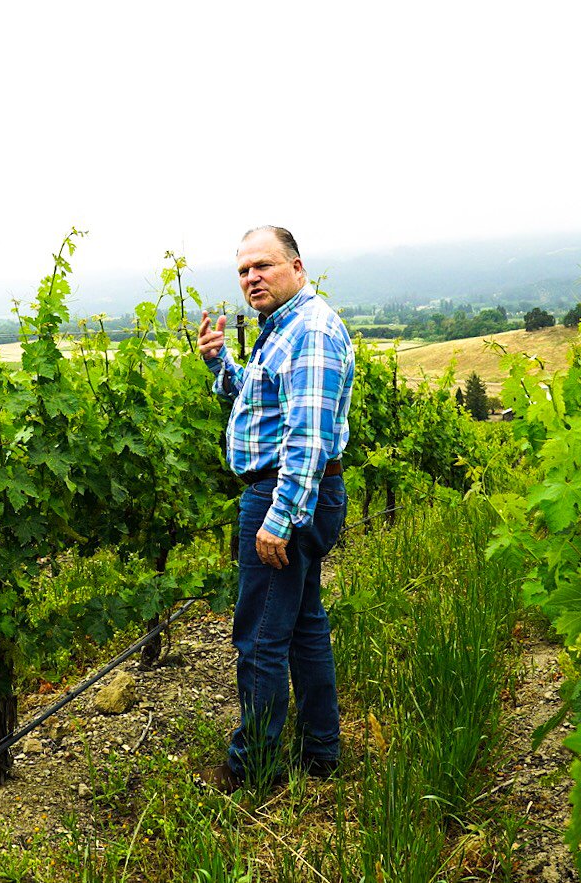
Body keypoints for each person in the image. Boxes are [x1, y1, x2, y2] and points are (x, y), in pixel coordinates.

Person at [197, 225, 355, 791]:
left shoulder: (309, 330)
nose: (251, 278)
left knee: (261, 637)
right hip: (293, 492)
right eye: (242, 270)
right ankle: (321, 753)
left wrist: (279, 519)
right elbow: (261, 402)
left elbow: (308, 439)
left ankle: (254, 771)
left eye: (262, 265)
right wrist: (222, 366)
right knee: (303, 626)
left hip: (283, 493)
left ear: (297, 268)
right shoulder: (283, 329)